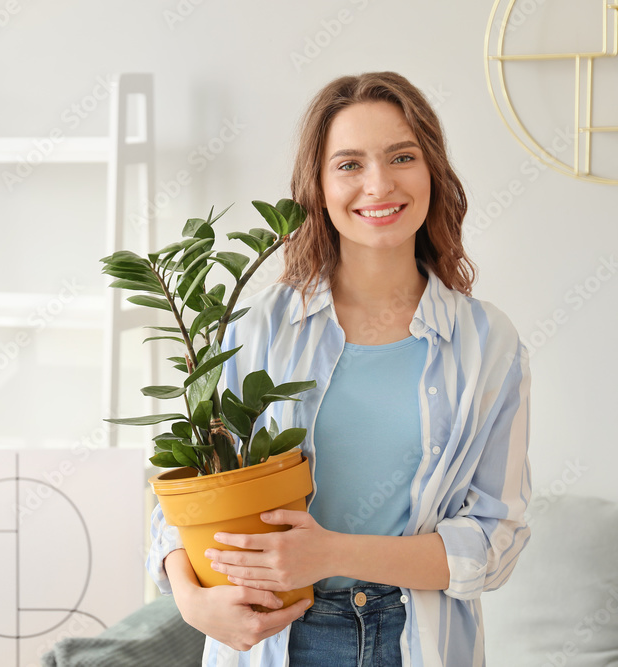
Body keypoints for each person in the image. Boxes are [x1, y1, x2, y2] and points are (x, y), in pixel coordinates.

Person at [146, 71, 532, 666]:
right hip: (279, 639)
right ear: (318, 187)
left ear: (432, 171)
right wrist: (191, 600)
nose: (378, 184)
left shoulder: (488, 344)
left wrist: (330, 554)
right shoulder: (257, 326)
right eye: (349, 164)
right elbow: (185, 500)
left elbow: (496, 543)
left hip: (416, 640)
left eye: (401, 156)